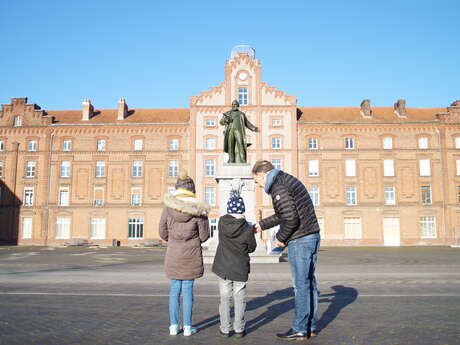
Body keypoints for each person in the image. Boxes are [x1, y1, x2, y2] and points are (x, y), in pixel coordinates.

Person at [252, 160, 321, 341]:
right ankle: (309, 326)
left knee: (300, 285)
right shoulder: (285, 180)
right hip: (311, 235)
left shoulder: (278, 186)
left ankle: (299, 328)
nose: (259, 186)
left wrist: (280, 239)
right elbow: (284, 213)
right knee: (309, 283)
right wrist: (262, 225)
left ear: (262, 174)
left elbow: (290, 219)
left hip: (300, 239)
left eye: (257, 182)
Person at [159, 171, 210, 337]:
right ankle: (188, 327)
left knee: (174, 290)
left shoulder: (168, 208)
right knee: (188, 291)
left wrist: (173, 240)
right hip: (191, 255)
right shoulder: (198, 210)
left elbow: (162, 232)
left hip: (173, 253)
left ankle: (173, 326)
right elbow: (204, 236)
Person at [212, 188, 257, 338]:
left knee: (224, 298)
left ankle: (225, 328)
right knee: (240, 299)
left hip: (223, 266)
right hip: (240, 268)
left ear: (229, 208)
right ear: (242, 209)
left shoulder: (221, 223)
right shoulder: (248, 228)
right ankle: (239, 328)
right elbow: (252, 248)